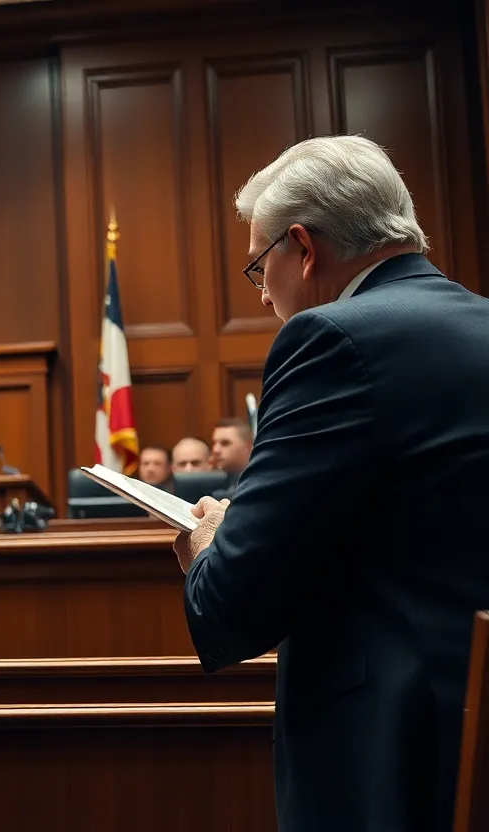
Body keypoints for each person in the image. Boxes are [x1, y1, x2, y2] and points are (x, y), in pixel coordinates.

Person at [172, 135, 489, 831]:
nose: (263, 295)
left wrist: (209, 541)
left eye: (259, 267)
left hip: (391, 760)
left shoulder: (330, 340)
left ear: (302, 248)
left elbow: (235, 602)